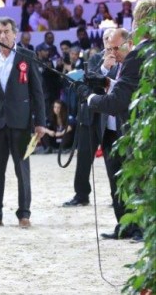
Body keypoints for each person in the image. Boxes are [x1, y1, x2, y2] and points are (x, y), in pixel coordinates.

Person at [75, 0, 155, 241]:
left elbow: (118, 101)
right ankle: (129, 226)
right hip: (121, 130)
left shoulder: (137, 55)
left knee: (139, 181)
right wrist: (107, 82)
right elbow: (128, 89)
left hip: (134, 131)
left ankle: (143, 229)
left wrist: (90, 99)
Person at [0, 16, 46, 229]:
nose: (2, 35)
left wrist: (40, 122)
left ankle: (24, 214)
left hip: (21, 122)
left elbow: (37, 93)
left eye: (6, 31)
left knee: (22, 170)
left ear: (14, 33)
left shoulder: (27, 56)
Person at [63, 28, 117, 207]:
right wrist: (105, 67)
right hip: (90, 116)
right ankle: (81, 194)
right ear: (103, 41)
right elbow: (90, 80)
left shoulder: (124, 59)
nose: (109, 41)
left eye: (112, 38)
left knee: (113, 160)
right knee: (84, 156)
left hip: (111, 119)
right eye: (106, 38)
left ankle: (117, 198)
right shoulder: (95, 58)